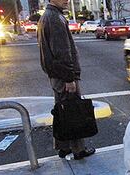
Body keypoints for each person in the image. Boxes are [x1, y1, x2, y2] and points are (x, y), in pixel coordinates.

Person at [37, 0, 95, 160]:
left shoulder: (48, 16)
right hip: (64, 75)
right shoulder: (54, 18)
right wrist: (70, 78)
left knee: (62, 110)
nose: (67, 0)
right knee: (73, 111)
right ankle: (78, 150)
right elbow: (62, 52)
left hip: (57, 74)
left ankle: (63, 147)